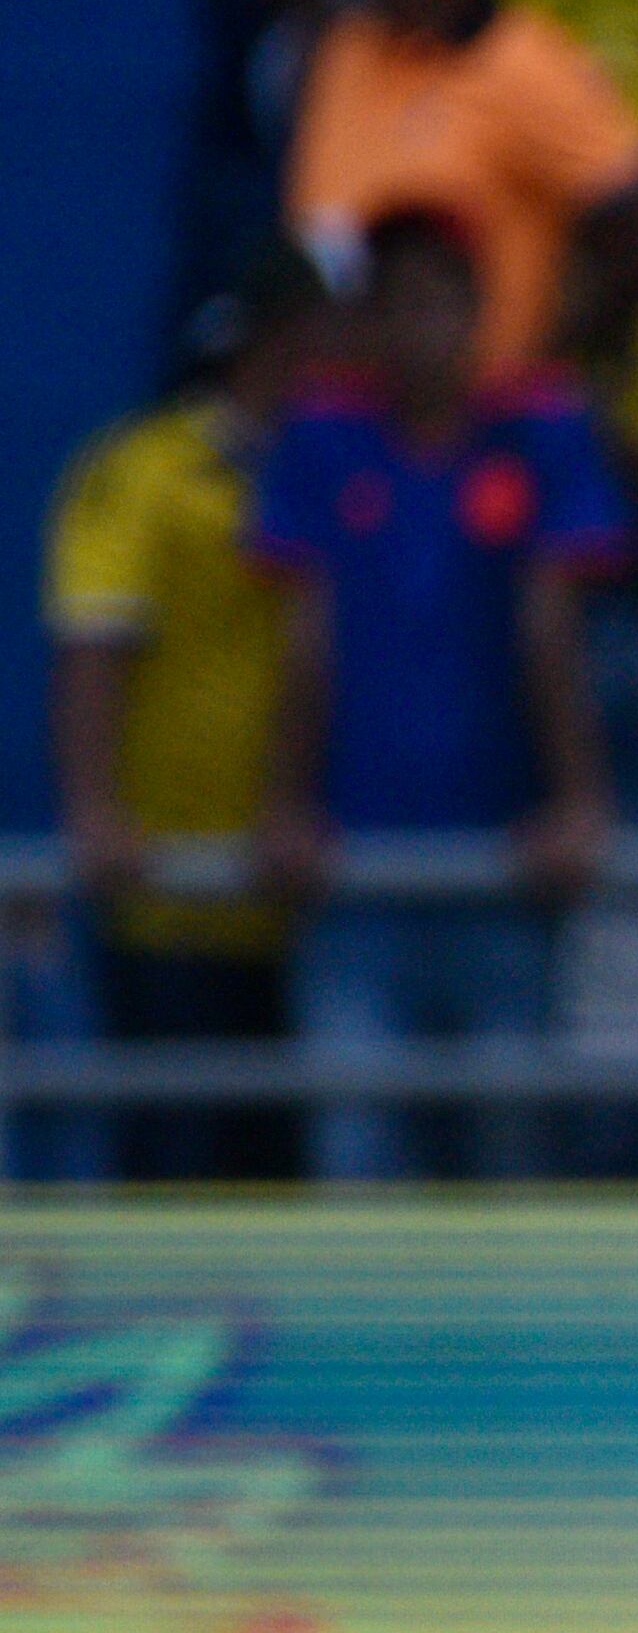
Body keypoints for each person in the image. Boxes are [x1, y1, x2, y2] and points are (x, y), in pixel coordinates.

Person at [248, 205, 633, 1186]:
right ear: (366, 321)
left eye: (438, 300)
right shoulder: (321, 438)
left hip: (503, 864)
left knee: (509, 1162)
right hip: (354, 871)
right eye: (395, 303)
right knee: (354, 1157)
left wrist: (579, 802)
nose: (418, 326)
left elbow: (551, 630)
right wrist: (285, 805)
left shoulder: (541, 428)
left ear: (477, 311)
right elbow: (306, 639)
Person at [45, 253, 322, 1183]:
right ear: (282, 336)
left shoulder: (347, 468)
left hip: (309, 900)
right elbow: (94, 639)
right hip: (172, 896)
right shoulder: (144, 469)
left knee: (297, 1180)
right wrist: (95, 812)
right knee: (178, 1170)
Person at [285, 0, 638, 378]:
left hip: (479, 408)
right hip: (338, 404)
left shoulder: (526, 60)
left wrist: (534, 359)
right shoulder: (345, 52)